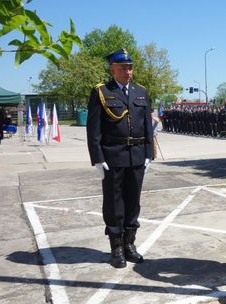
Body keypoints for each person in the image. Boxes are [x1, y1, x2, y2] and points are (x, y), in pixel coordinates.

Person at [86, 48, 154, 268]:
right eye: (124, 68)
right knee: (114, 204)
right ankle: (116, 248)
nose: (128, 71)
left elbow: (147, 126)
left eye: (130, 67)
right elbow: (93, 128)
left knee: (133, 202)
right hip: (113, 156)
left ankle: (129, 245)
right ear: (112, 69)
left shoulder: (141, 91)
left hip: (136, 157)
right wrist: (97, 158)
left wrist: (148, 153)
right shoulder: (102, 92)